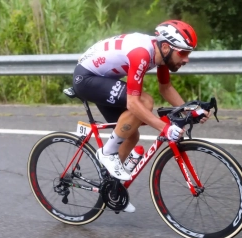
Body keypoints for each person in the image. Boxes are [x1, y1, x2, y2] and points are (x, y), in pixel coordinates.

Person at [72, 20, 211, 213]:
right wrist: (165, 128)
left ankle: (112, 188)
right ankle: (107, 153)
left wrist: (189, 110)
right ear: (165, 46)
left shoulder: (161, 54)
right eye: (183, 53)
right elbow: (133, 103)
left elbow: (166, 88)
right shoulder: (142, 53)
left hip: (103, 78)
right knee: (144, 102)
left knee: (131, 134)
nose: (186, 59)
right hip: (86, 78)